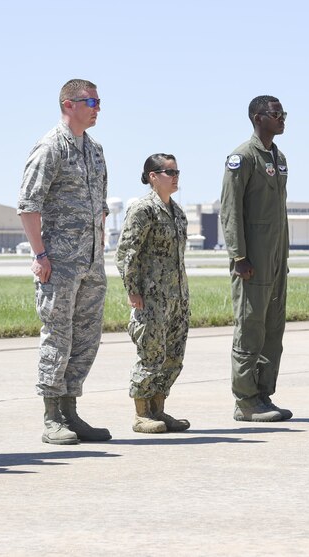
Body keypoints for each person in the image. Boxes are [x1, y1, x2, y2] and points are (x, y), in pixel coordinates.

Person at [18, 79, 111, 445]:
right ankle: (52, 415)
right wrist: (40, 255)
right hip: (58, 263)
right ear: (68, 104)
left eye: (99, 101)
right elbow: (28, 205)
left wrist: (99, 248)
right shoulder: (50, 148)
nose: (97, 107)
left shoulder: (95, 150)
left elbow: (101, 206)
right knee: (58, 336)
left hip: (90, 262)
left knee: (86, 337)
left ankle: (71, 410)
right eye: (91, 101)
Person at [220, 95, 293, 422]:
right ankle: (245, 400)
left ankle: (263, 394)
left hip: (276, 259)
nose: (282, 118)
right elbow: (230, 210)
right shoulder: (242, 157)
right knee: (249, 326)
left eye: (283, 113)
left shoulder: (279, 157)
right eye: (276, 113)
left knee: (272, 327)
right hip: (252, 261)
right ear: (257, 117)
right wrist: (239, 256)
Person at [116, 154, 191, 434]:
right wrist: (132, 290)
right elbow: (127, 252)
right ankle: (141, 413)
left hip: (177, 297)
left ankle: (159, 408)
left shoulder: (177, 213)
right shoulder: (143, 210)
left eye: (176, 172)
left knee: (173, 355)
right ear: (152, 176)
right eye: (168, 172)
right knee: (151, 353)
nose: (175, 177)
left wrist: (182, 297)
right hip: (151, 297)